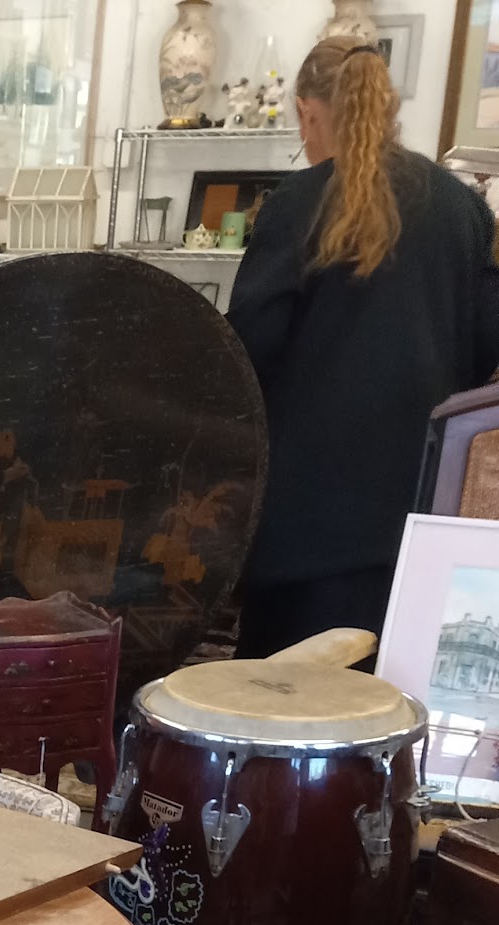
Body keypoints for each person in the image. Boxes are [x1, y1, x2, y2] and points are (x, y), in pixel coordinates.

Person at [226, 38, 499, 659]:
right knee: (385, 703)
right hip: (419, 522)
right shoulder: (462, 207)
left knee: (280, 701)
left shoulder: (297, 203)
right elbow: (486, 347)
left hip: (302, 527)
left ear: (308, 113)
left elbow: (247, 352)